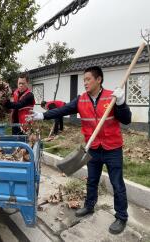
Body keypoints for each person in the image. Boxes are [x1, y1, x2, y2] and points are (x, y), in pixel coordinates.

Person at [28, 66, 130, 234]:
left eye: (88, 79)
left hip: (112, 148)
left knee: (117, 183)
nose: (85, 83)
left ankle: (121, 216)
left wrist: (121, 103)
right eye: (83, 80)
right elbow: (63, 109)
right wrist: (43, 115)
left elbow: (126, 119)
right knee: (91, 180)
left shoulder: (111, 97)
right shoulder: (81, 100)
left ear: (99, 80)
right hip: (93, 148)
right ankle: (89, 206)